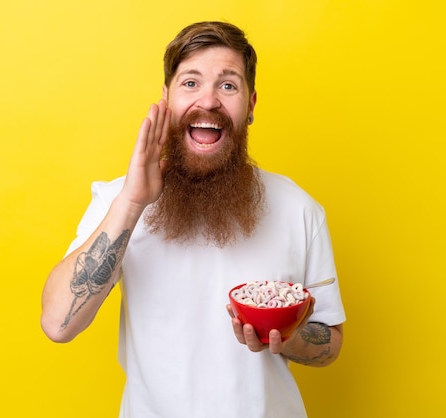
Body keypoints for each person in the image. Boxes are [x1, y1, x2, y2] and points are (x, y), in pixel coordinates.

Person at [41, 21, 345, 417]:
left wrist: (282, 335)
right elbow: (58, 325)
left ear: (250, 106)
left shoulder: (299, 209)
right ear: (165, 98)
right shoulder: (119, 201)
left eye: (228, 85)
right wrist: (133, 202)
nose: (209, 101)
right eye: (190, 83)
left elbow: (330, 345)